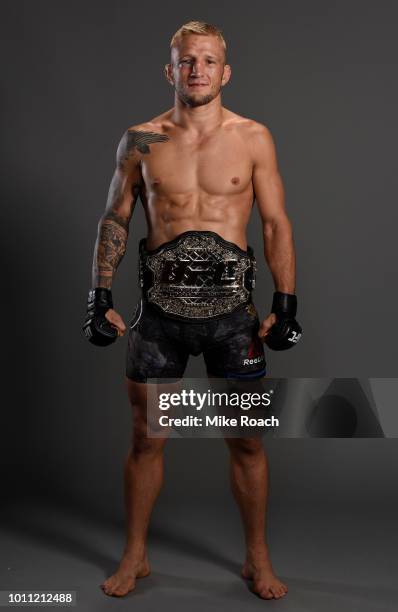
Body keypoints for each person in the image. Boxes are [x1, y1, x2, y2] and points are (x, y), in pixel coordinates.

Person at [83, 21, 302, 600]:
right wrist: (99, 295)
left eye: (207, 61)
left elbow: (276, 221)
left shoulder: (254, 137)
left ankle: (258, 557)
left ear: (224, 72)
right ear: (170, 70)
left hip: (235, 317)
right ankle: (135, 556)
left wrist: (287, 301)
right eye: (186, 61)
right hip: (159, 318)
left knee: (248, 440)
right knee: (146, 439)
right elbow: (116, 218)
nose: (197, 70)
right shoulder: (141, 140)